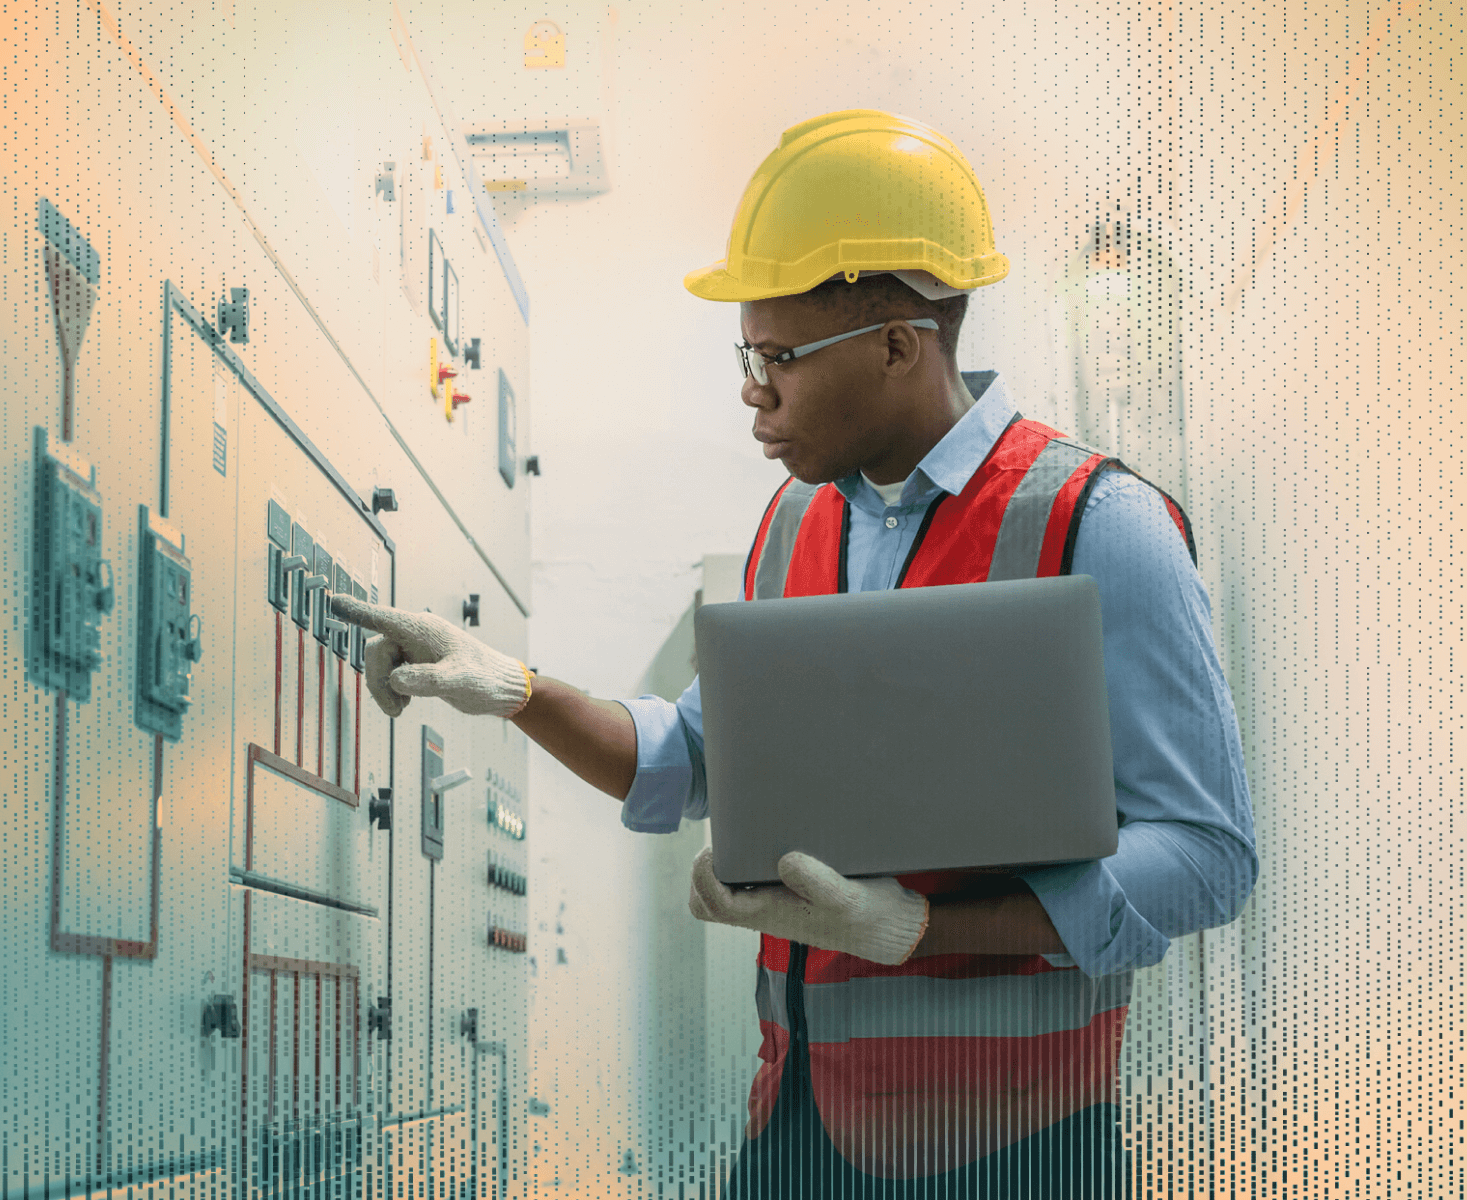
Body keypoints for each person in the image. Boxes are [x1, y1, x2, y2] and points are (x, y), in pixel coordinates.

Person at [330, 109, 1257, 1200]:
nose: (751, 391)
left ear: (899, 345)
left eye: (777, 357)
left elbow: (1205, 856)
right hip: (798, 1126)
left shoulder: (1103, 524)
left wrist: (919, 929)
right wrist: (516, 690)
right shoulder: (792, 524)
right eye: (746, 354)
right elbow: (700, 757)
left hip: (1013, 1150)